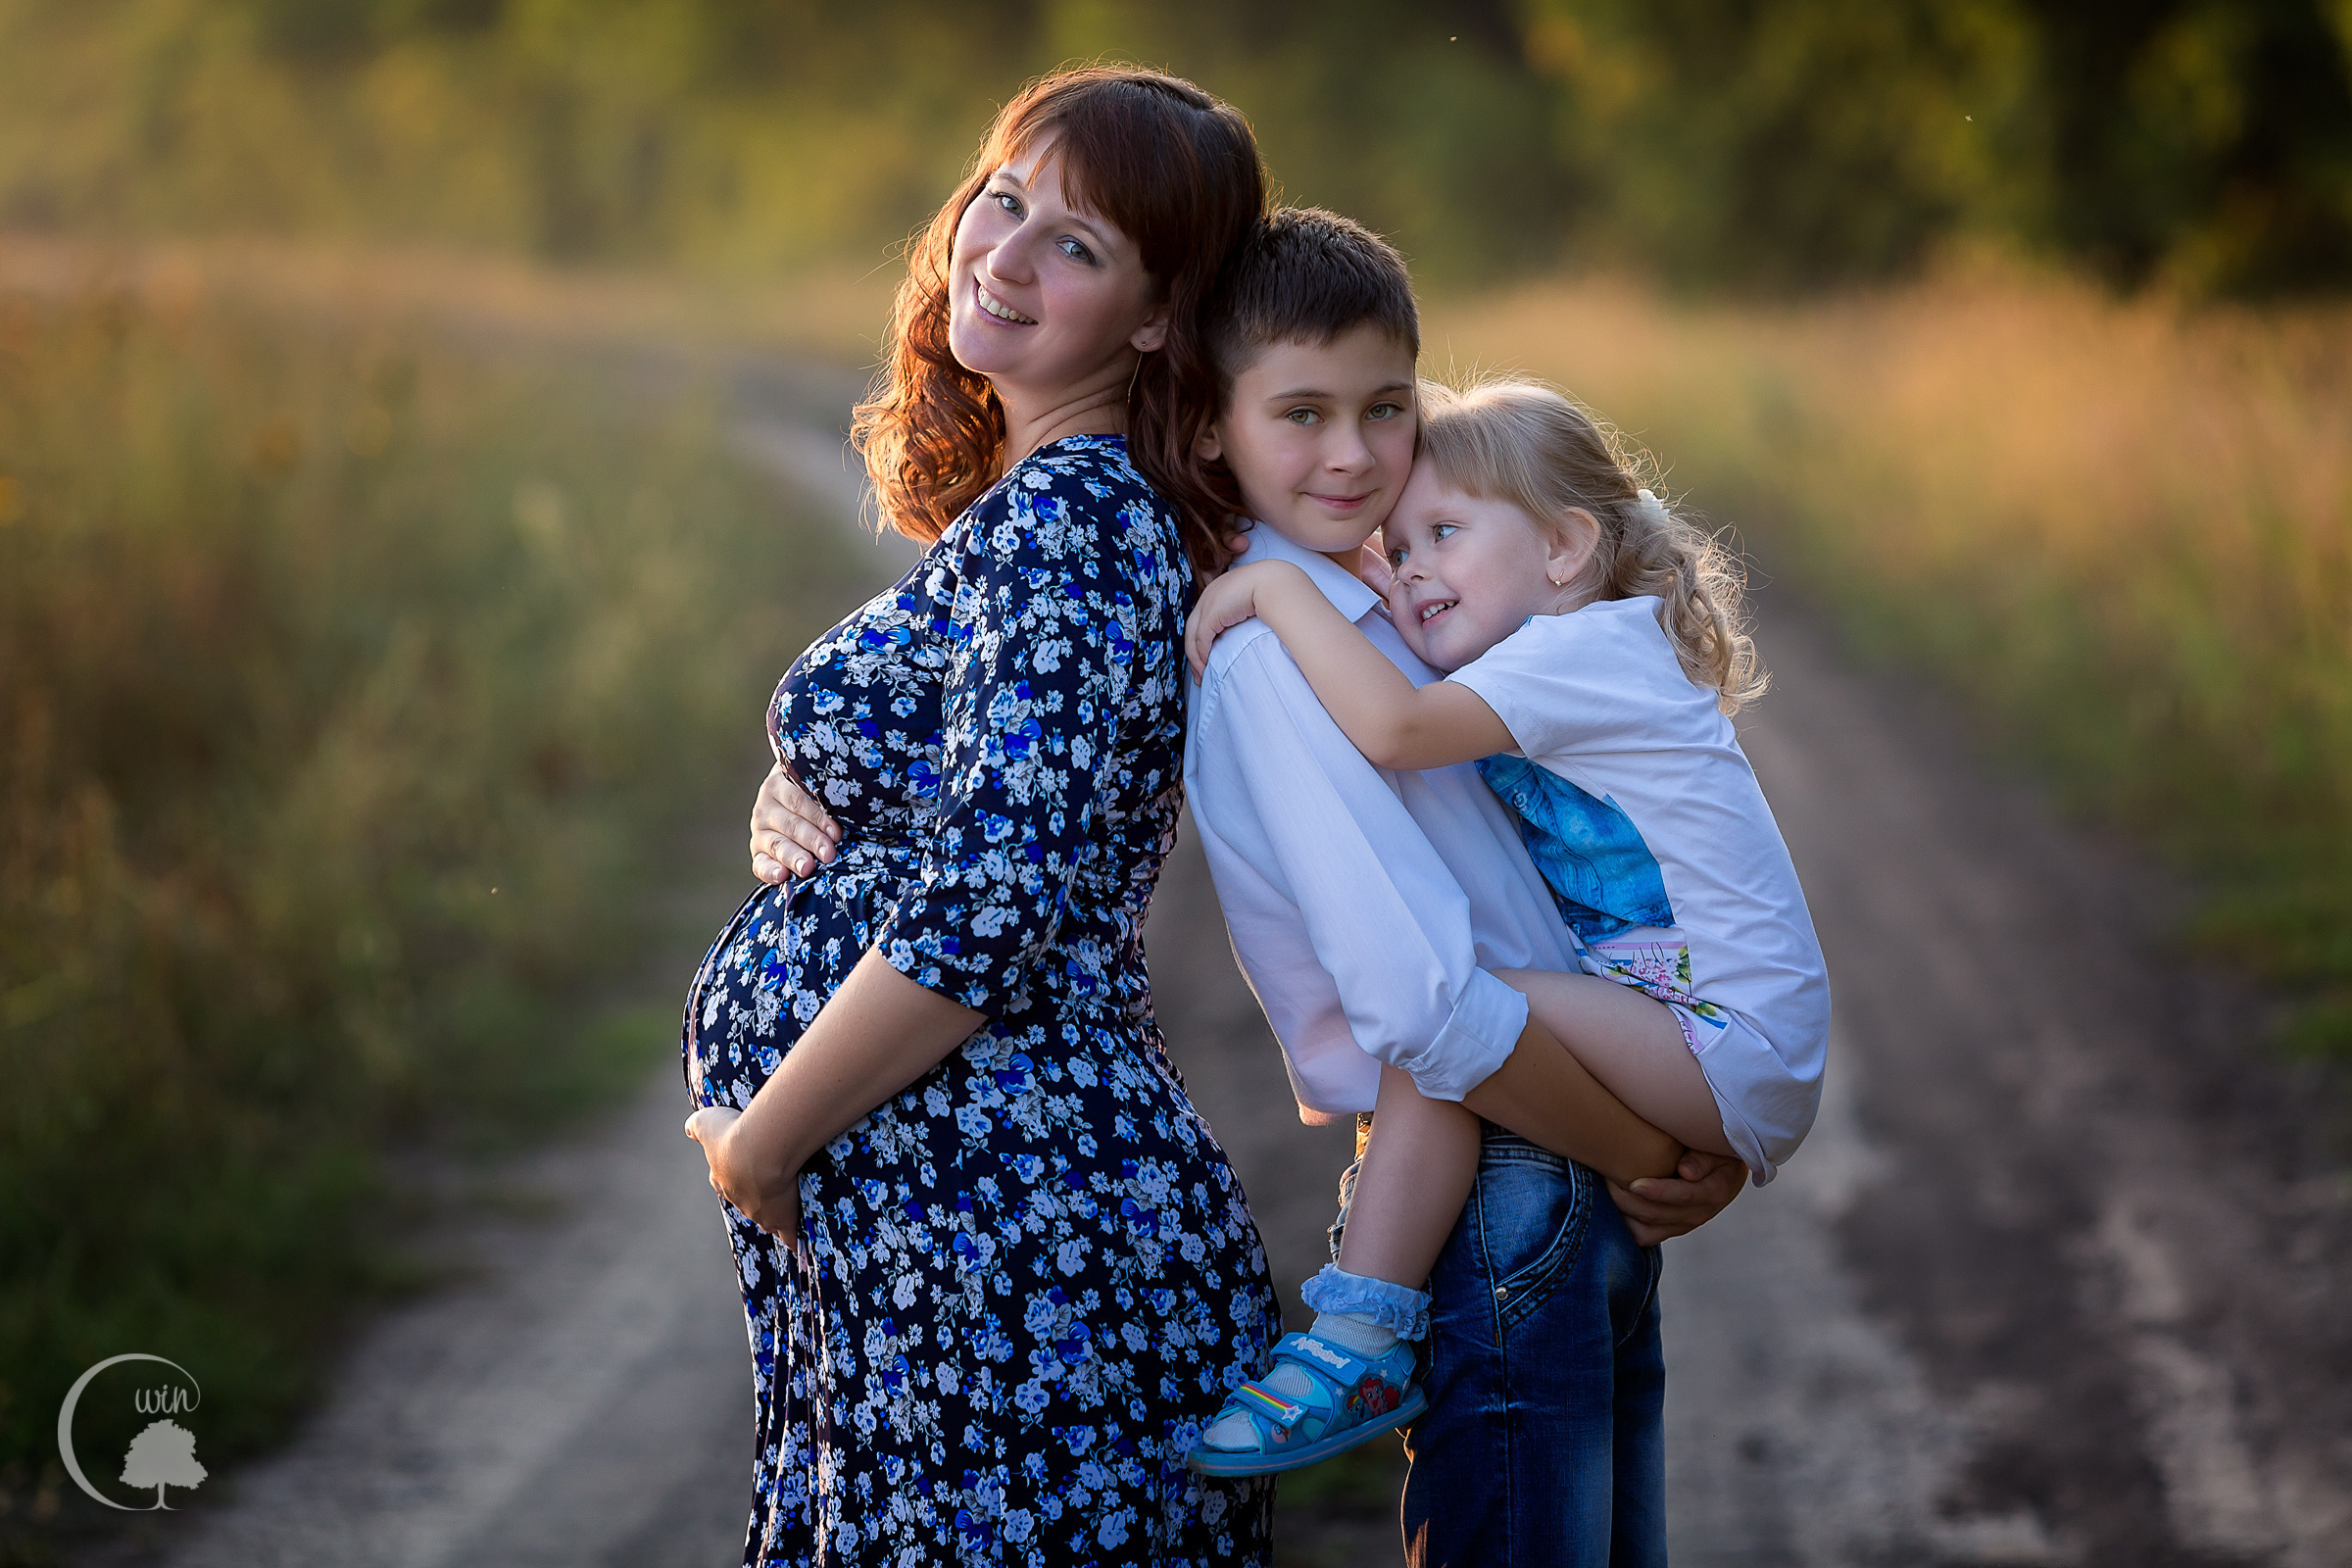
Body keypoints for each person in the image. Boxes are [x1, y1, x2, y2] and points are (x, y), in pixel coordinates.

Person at [747, 211, 1750, 1560]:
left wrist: (1651, 1155)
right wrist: (810, 778)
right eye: (1304, 414)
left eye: (1386, 409)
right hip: (1545, 1155)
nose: (1350, 454)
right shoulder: (1332, 602)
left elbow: (1433, 1010)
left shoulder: (1336, 618)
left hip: (1527, 1171)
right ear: (1214, 424)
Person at [679, 68, 1281, 1566]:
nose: (1003, 254)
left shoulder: (1079, 526)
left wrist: (767, 1144)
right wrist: (808, 782)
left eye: (1074, 243)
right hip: (954, 1256)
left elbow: (995, 903)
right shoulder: (1035, 513)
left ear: (1157, 317)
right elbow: (970, 799)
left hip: (1022, 1260)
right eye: (1002, 200)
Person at [1184, 365, 1832, 1513]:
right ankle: (1365, 1315)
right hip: (1703, 1027)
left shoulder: (1588, 653)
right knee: (1463, 1026)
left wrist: (1277, 594)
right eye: (1399, 544)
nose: (1412, 565)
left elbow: (1390, 727)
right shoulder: (1539, 655)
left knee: (1456, 1022)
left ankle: (1357, 1331)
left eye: (1442, 533)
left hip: (1724, 1026)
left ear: (1565, 551)